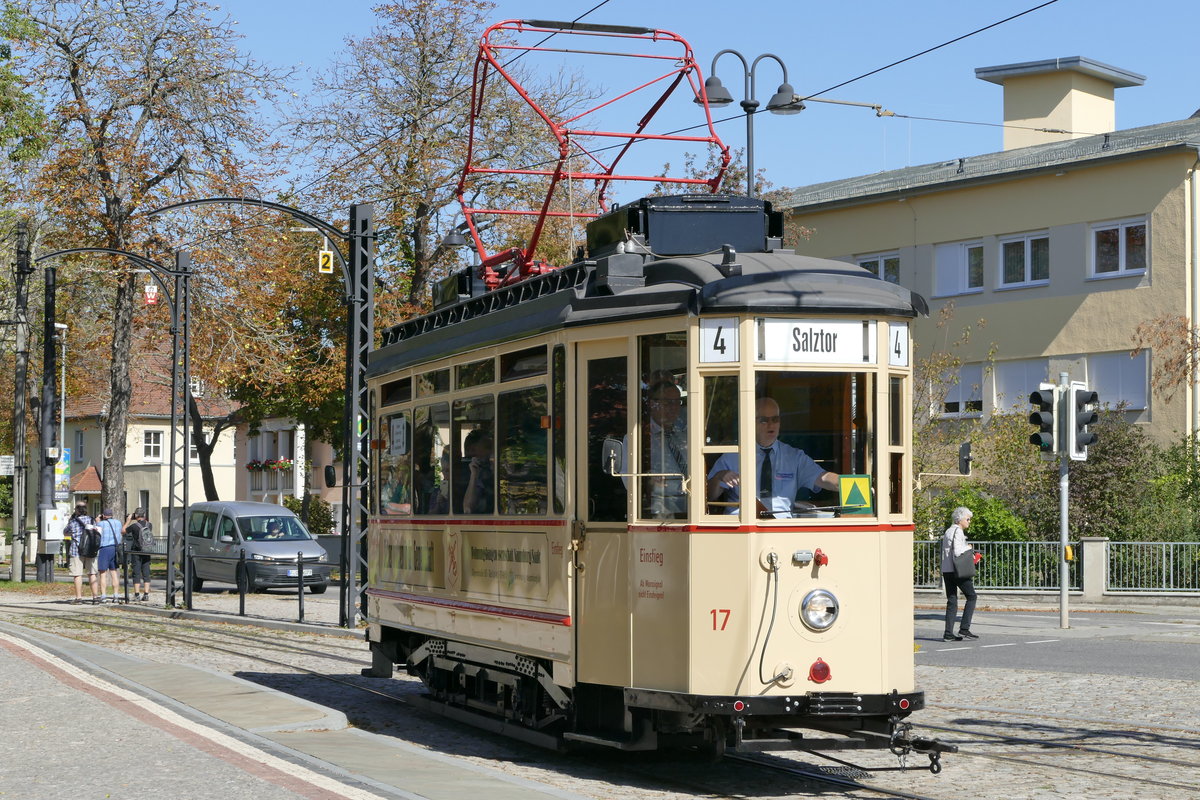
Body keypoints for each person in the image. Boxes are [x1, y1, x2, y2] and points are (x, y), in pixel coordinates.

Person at [706, 396, 839, 518]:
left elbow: (824, 477)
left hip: (780, 527)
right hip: (741, 525)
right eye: (764, 420)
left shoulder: (794, 457)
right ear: (751, 422)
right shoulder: (732, 455)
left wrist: (848, 484)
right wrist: (719, 477)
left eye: (775, 419)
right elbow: (708, 497)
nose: (771, 425)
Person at [634, 380, 688, 518]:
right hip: (658, 509)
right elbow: (630, 482)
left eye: (677, 402)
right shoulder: (639, 437)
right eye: (668, 402)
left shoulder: (683, 437)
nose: (674, 407)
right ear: (653, 404)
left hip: (690, 504)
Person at [941, 506, 980, 641]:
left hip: (947, 570)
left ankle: (948, 633)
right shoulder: (958, 531)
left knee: (952, 600)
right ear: (960, 519)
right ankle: (964, 629)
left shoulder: (948, 531)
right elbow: (958, 551)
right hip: (958, 571)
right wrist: (968, 548)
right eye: (968, 519)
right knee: (972, 596)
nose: (969, 521)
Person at [65, 502, 100, 605]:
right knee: (92, 573)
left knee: (77, 574)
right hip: (91, 549)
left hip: (77, 550)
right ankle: (95, 597)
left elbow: (65, 531)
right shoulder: (92, 520)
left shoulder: (73, 522)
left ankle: (79, 598)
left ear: (76, 510)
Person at [123, 508, 153, 602]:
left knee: (136, 572)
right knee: (146, 572)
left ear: (136, 515)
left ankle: (137, 594)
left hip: (136, 551)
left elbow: (123, 531)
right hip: (147, 550)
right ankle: (146, 594)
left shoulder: (134, 526)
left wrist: (128, 520)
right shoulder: (149, 525)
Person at [462, 429, 494, 514]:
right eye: (487, 447)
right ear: (472, 450)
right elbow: (468, 509)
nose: (491, 452)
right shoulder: (463, 473)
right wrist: (474, 475)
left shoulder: (488, 469)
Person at [95, 509, 124, 604]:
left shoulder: (101, 524)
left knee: (103, 573)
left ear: (103, 515)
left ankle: (103, 595)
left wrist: (97, 521)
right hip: (115, 549)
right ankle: (116, 595)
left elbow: (96, 532)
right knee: (114, 572)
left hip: (104, 548)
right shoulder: (118, 523)